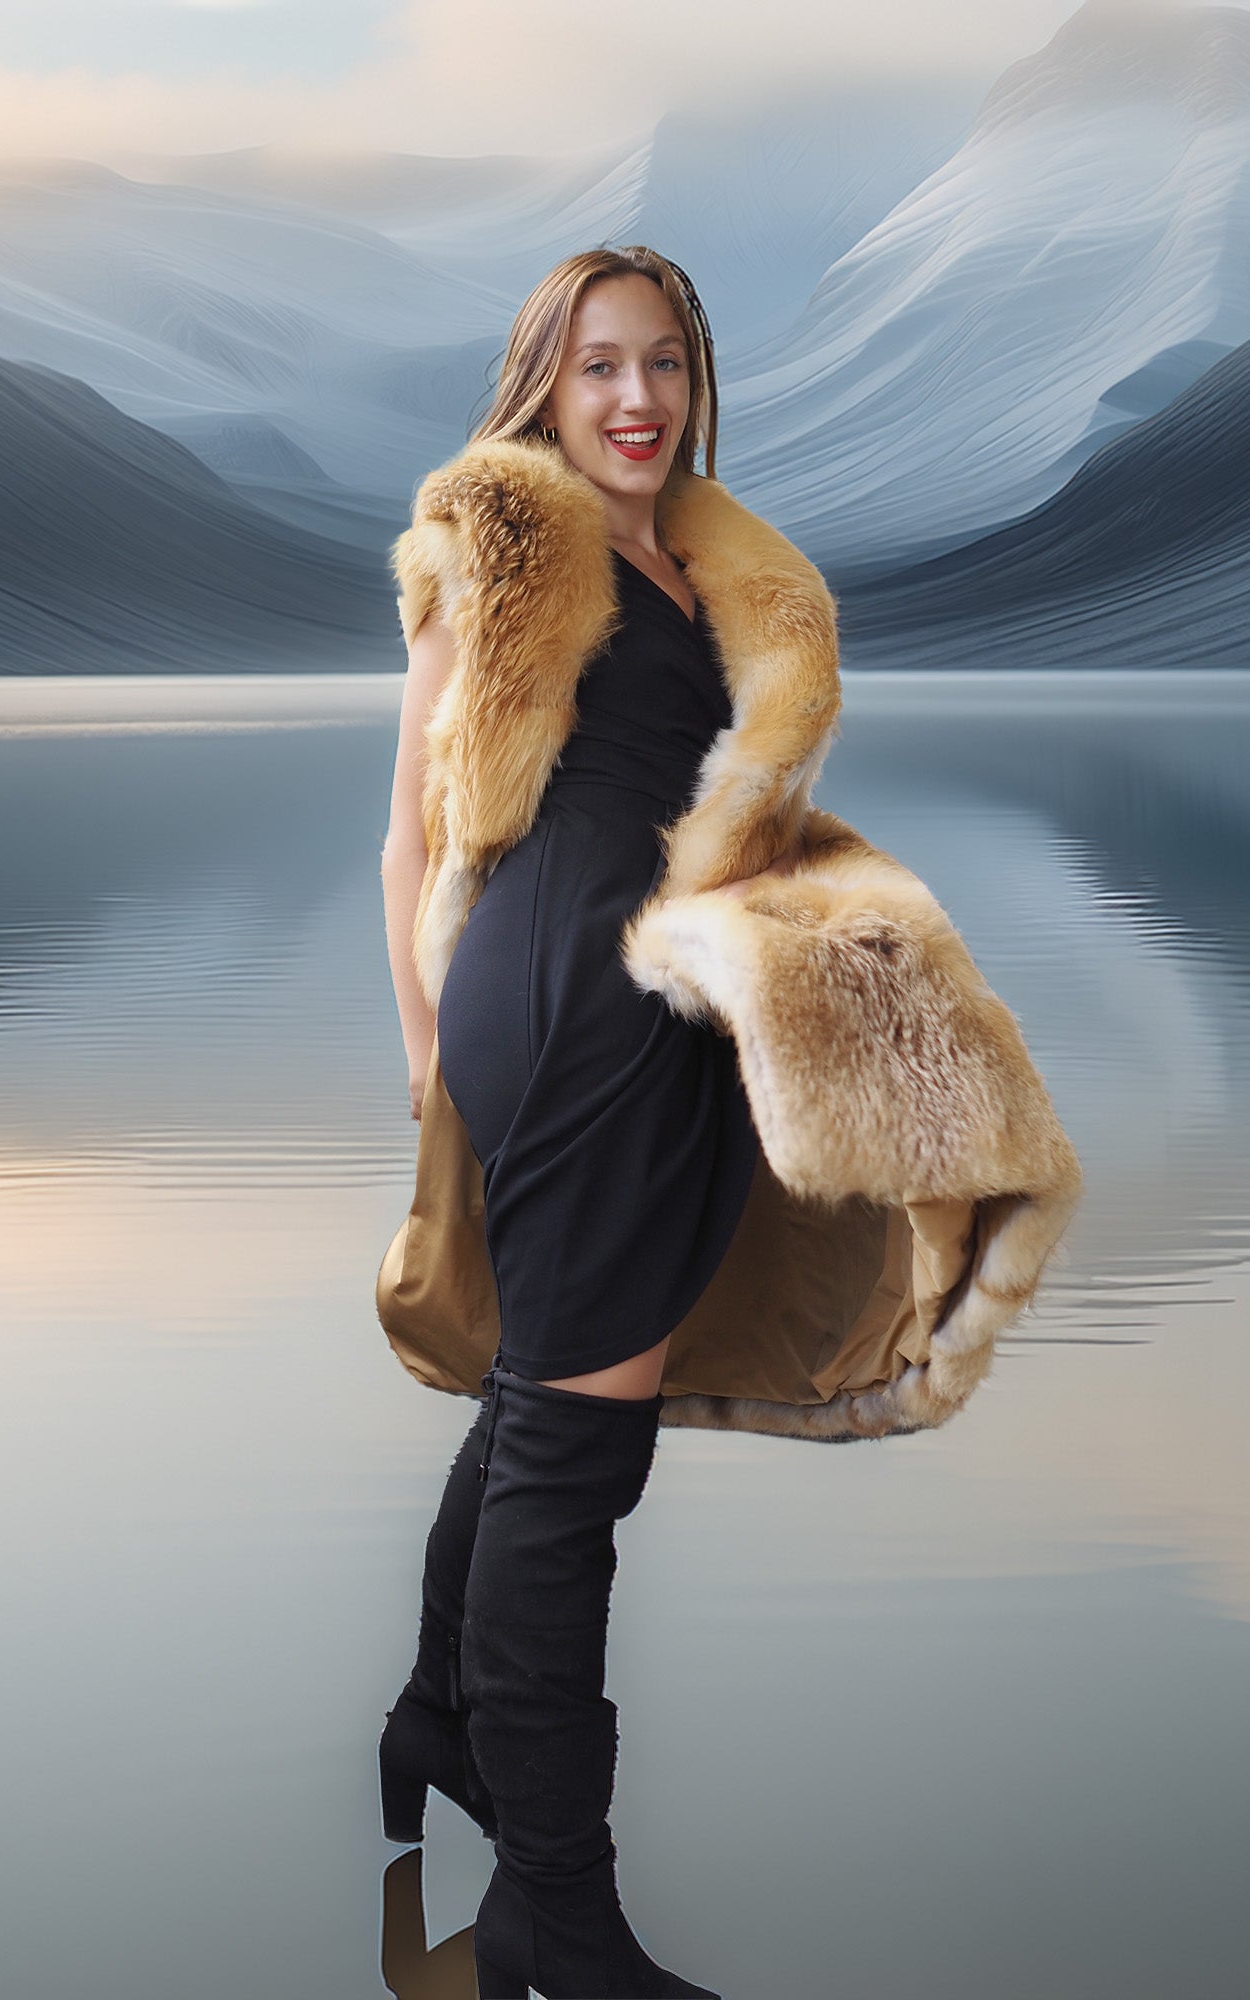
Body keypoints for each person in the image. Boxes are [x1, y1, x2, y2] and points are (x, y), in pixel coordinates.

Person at [377, 246, 825, 2000]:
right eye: (595, 371)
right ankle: (560, 1919)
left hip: (652, 1001)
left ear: (696, 379)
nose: (634, 400)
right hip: (574, 1005)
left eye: (662, 364)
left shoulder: (699, 565)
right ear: (544, 393)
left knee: (535, 1418)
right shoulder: (510, 547)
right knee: (576, 1472)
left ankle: (441, 1722)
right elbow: (410, 833)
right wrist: (427, 1059)